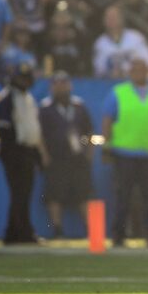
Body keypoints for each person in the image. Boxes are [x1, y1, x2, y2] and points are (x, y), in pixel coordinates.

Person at [101, 57, 148, 247]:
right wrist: (106, 145)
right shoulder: (118, 92)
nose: (139, 73)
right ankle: (118, 236)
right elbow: (107, 119)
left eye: (142, 69)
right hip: (124, 152)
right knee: (123, 196)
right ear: (130, 72)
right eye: (135, 69)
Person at [0, 63, 48, 244]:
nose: (24, 81)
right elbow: (5, 131)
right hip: (14, 151)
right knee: (19, 193)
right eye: (21, 78)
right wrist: (12, 153)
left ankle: (13, 233)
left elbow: (33, 129)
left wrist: (38, 154)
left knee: (23, 194)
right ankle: (23, 233)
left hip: (28, 150)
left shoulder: (27, 98)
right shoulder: (6, 98)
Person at [39, 71, 93, 239]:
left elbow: (89, 131)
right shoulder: (46, 108)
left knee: (84, 193)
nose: (61, 87)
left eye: (64, 83)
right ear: (52, 87)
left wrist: (89, 153)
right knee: (55, 194)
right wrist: (44, 155)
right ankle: (57, 229)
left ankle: (90, 230)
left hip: (77, 157)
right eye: (57, 84)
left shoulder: (78, 106)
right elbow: (39, 134)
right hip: (56, 157)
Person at [92, 5, 148, 78]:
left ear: (121, 19)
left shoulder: (136, 37)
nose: (111, 20)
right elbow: (98, 72)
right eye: (108, 17)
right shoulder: (100, 43)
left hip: (135, 84)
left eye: (114, 17)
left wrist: (131, 72)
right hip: (110, 84)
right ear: (103, 21)